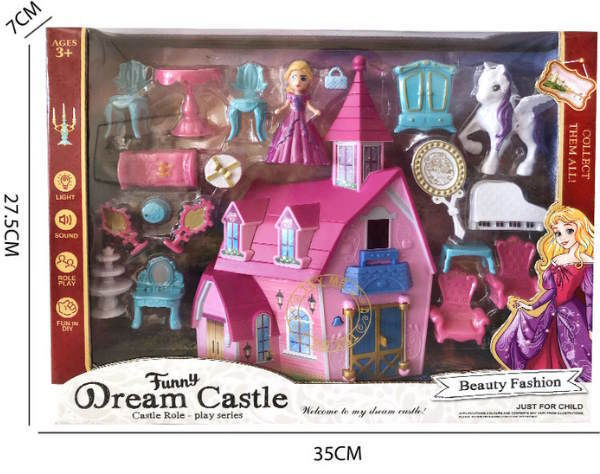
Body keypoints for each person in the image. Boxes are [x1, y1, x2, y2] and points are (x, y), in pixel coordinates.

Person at [491, 203, 594, 381]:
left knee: (574, 353)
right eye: (558, 233)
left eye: (569, 230)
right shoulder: (557, 260)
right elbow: (550, 292)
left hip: (572, 315)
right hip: (551, 312)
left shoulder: (587, 262)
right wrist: (530, 306)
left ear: (580, 228)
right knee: (541, 349)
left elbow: (591, 297)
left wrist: (592, 326)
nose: (563, 237)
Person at [265, 60, 329, 165]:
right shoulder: (290, 95)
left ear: (309, 80)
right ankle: (286, 157)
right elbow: (286, 105)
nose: (298, 82)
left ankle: (306, 158)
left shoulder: (306, 96)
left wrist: (315, 110)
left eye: (303, 78)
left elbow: (308, 106)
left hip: (303, 118)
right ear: (288, 79)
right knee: (288, 135)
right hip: (291, 117)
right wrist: (279, 110)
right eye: (294, 77)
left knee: (306, 136)